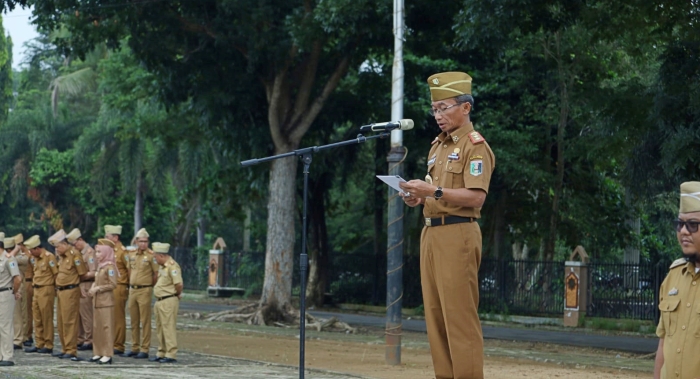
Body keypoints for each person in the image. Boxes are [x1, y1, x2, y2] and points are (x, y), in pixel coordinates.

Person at [399, 71, 495, 379]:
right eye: (435, 109)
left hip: (459, 234)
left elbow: (476, 197)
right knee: (436, 317)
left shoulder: (474, 146)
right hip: (431, 233)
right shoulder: (436, 147)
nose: (438, 115)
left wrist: (433, 192)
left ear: (465, 107)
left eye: (445, 108)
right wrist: (418, 198)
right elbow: (433, 192)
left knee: (459, 318)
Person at [654, 182, 700, 379]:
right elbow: (663, 344)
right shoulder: (673, 276)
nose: (683, 231)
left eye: (693, 225)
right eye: (680, 224)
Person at [48, 230, 88, 361]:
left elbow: (82, 273)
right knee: (60, 321)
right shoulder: (62, 256)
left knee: (69, 321)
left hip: (71, 291)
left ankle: (71, 350)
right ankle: (64, 348)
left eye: (58, 246)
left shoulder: (74, 255)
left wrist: (78, 287)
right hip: (60, 291)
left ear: (64, 244)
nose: (57, 250)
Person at [122, 228, 158, 359]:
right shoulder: (131, 254)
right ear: (136, 241)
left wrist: (149, 285)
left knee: (145, 320)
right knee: (133, 320)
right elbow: (129, 271)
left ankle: (145, 348)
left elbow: (156, 274)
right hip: (133, 289)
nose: (143, 244)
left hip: (145, 289)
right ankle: (135, 347)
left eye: (146, 241)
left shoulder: (151, 256)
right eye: (141, 241)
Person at [149, 242, 182, 364]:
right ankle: (161, 352)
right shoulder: (163, 267)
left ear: (161, 256)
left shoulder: (172, 266)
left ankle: (171, 353)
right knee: (160, 327)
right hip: (160, 301)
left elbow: (178, 284)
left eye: (156, 257)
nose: (155, 260)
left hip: (168, 299)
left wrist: (177, 294)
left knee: (168, 327)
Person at [23, 235, 57, 354]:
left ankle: (48, 344)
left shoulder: (49, 257)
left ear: (37, 248)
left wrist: (55, 290)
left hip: (46, 289)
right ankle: (39, 343)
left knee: (46, 318)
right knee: (37, 318)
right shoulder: (34, 258)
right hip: (36, 289)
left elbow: (55, 274)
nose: (30, 253)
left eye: (32, 250)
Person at [88, 239, 118, 365]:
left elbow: (113, 284)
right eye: (96, 252)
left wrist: (98, 289)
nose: (97, 255)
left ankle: (107, 353)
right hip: (97, 301)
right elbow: (97, 280)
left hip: (106, 301)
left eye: (100, 252)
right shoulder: (101, 266)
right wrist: (92, 288)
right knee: (97, 327)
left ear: (106, 253)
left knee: (106, 327)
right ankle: (98, 352)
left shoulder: (110, 267)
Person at [66, 228, 97, 351]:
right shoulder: (78, 253)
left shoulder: (90, 253)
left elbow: (94, 272)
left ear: (80, 240)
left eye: (75, 244)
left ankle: (89, 340)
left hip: (87, 284)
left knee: (86, 314)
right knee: (78, 314)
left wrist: (82, 275)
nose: (74, 247)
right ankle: (80, 338)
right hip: (78, 285)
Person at [104, 224, 129, 355]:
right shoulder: (110, 250)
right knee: (110, 316)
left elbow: (129, 270)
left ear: (115, 237)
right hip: (110, 285)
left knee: (118, 316)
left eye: (107, 236)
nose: (105, 239)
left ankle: (118, 345)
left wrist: (126, 286)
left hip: (119, 286)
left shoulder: (122, 251)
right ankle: (111, 342)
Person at [0, 238, 21, 366]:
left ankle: (8, 356)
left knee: (5, 325)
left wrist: (14, 291)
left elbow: (17, 278)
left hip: (5, 294)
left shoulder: (9, 259)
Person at [13, 234, 34, 347]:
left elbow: (26, 259)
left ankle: (25, 335)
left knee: (25, 311)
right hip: (20, 283)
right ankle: (22, 335)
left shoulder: (25, 255)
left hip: (26, 283)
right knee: (19, 312)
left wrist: (21, 250)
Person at [7, 237, 27, 350]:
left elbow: (9, 258)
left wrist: (16, 249)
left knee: (17, 314)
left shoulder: (21, 257)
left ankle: (18, 339)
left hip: (18, 286)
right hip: (9, 287)